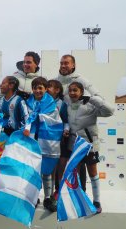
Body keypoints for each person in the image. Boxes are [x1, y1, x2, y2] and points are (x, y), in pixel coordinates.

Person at [62, 81, 114, 213]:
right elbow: (67, 122)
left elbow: (110, 111)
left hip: (89, 146)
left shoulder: (90, 104)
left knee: (92, 173)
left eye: (75, 90)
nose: (72, 93)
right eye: (70, 90)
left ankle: (96, 201)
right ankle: (82, 197)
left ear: (81, 92)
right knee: (78, 174)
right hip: (74, 146)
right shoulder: (68, 105)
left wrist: (92, 98)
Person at [54, 54, 102, 190]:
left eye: (66, 63)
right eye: (61, 63)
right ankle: (61, 192)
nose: (63, 66)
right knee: (64, 163)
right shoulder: (55, 80)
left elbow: (98, 97)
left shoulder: (82, 80)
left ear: (73, 65)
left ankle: (84, 196)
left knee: (86, 166)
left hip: (84, 133)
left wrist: (87, 99)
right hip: (63, 130)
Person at [23, 77, 63, 212]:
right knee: (33, 171)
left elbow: (54, 121)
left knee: (46, 171)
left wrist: (36, 118)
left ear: (46, 89)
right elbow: (27, 117)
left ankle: (48, 197)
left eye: (40, 88)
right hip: (32, 139)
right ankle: (33, 196)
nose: (37, 90)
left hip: (46, 140)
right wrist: (28, 126)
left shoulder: (50, 103)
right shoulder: (28, 102)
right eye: (35, 87)